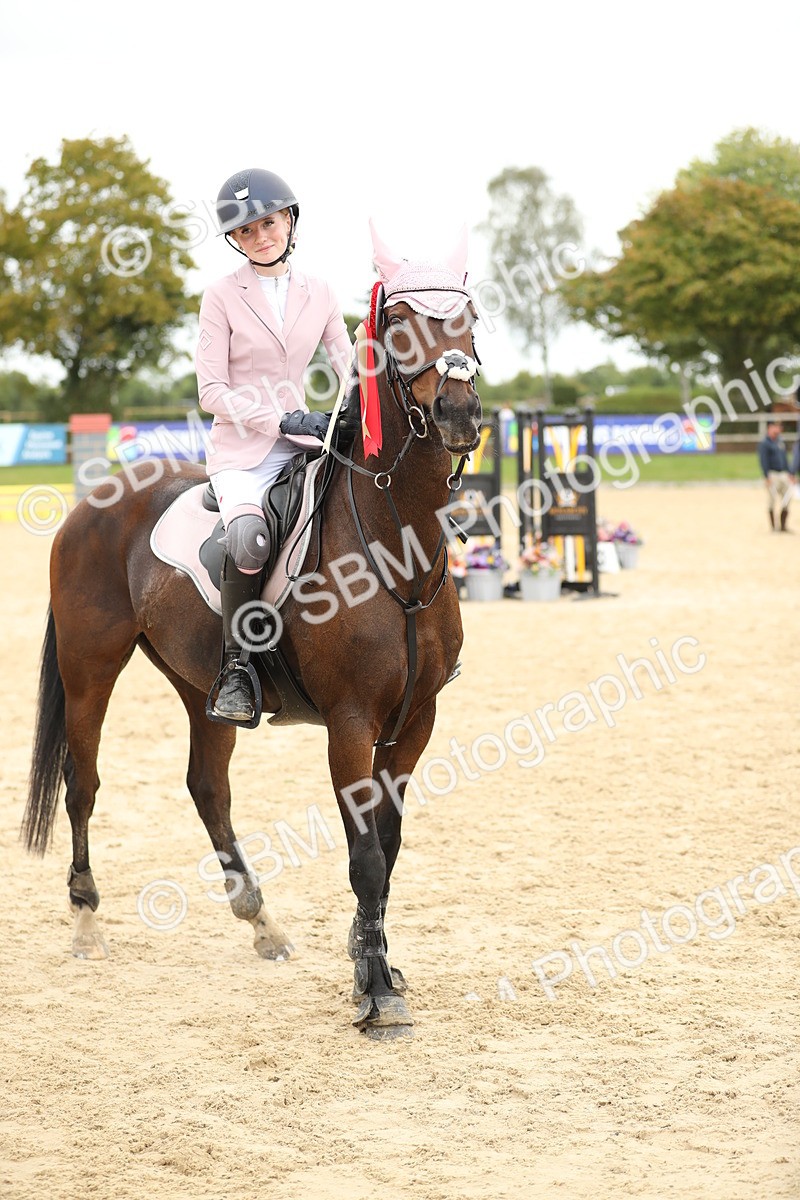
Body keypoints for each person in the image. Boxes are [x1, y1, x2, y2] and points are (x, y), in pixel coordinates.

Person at [196, 168, 353, 724]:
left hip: (307, 443)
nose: (261, 236)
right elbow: (210, 390)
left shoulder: (323, 292)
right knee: (248, 539)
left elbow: (353, 365)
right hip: (243, 452)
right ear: (235, 241)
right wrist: (281, 418)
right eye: (247, 231)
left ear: (288, 221)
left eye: (268, 222)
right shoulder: (219, 297)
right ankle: (238, 669)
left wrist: (353, 412)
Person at [758, 419, 796, 532]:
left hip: (783, 474)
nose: (778, 429)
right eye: (776, 426)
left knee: (787, 497)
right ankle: (773, 527)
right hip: (772, 474)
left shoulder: (780, 441)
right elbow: (763, 460)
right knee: (772, 500)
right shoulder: (765, 443)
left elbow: (785, 459)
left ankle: (783, 525)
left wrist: (790, 473)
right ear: (770, 427)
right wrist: (766, 476)